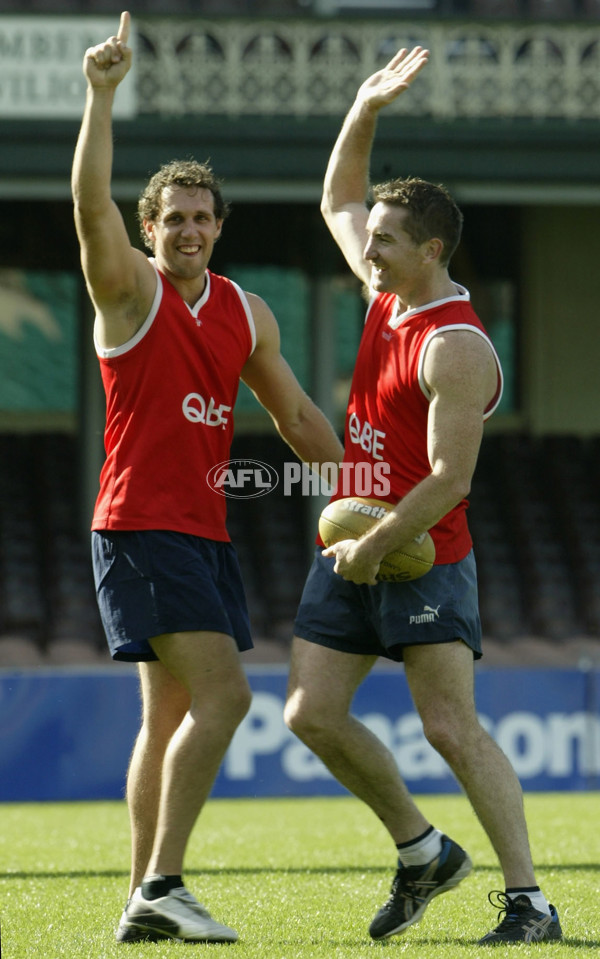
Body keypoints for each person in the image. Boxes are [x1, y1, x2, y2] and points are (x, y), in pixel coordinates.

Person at [72, 12, 344, 945]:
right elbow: (87, 205)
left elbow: (301, 419)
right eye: (172, 218)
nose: (188, 229)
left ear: (219, 226)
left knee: (171, 713)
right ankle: (164, 883)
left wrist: (367, 480)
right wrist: (101, 95)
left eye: (201, 216)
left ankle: (141, 899)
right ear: (149, 231)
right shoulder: (129, 292)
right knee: (226, 697)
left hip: (204, 530)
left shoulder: (247, 312)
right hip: (139, 523)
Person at [284, 47, 562, 946]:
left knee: (450, 727)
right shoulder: (384, 291)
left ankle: (530, 902)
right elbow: (336, 198)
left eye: (387, 241)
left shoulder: (457, 346)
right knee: (311, 713)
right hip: (361, 530)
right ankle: (422, 850)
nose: (368, 248)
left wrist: (373, 545)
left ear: (431, 249)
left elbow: (451, 481)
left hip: (426, 549)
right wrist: (363, 107)